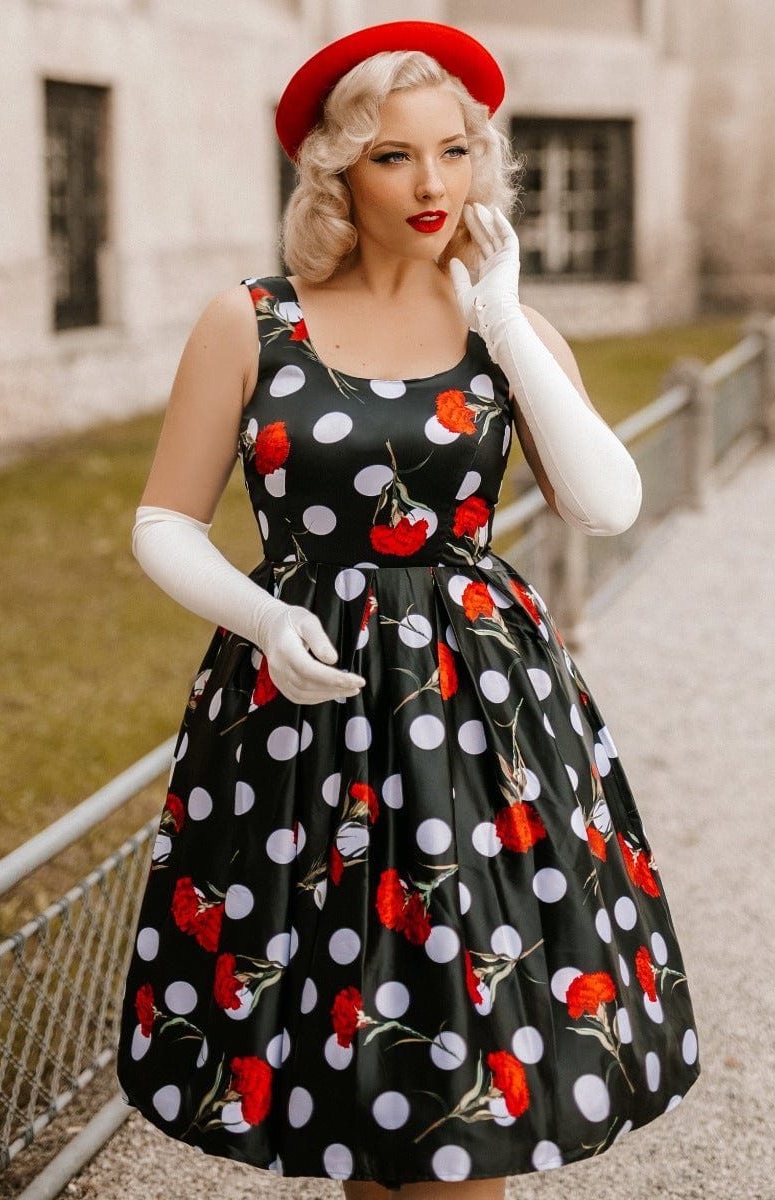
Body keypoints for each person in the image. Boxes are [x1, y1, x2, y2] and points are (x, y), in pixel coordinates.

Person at [116, 20, 700, 1198]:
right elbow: (161, 523)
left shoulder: (503, 328)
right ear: (337, 169)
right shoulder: (251, 321)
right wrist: (263, 619)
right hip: (299, 713)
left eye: (457, 151)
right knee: (342, 1053)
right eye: (394, 156)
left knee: (464, 1034)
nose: (433, 183)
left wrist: (502, 318)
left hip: (478, 723)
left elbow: (604, 501)